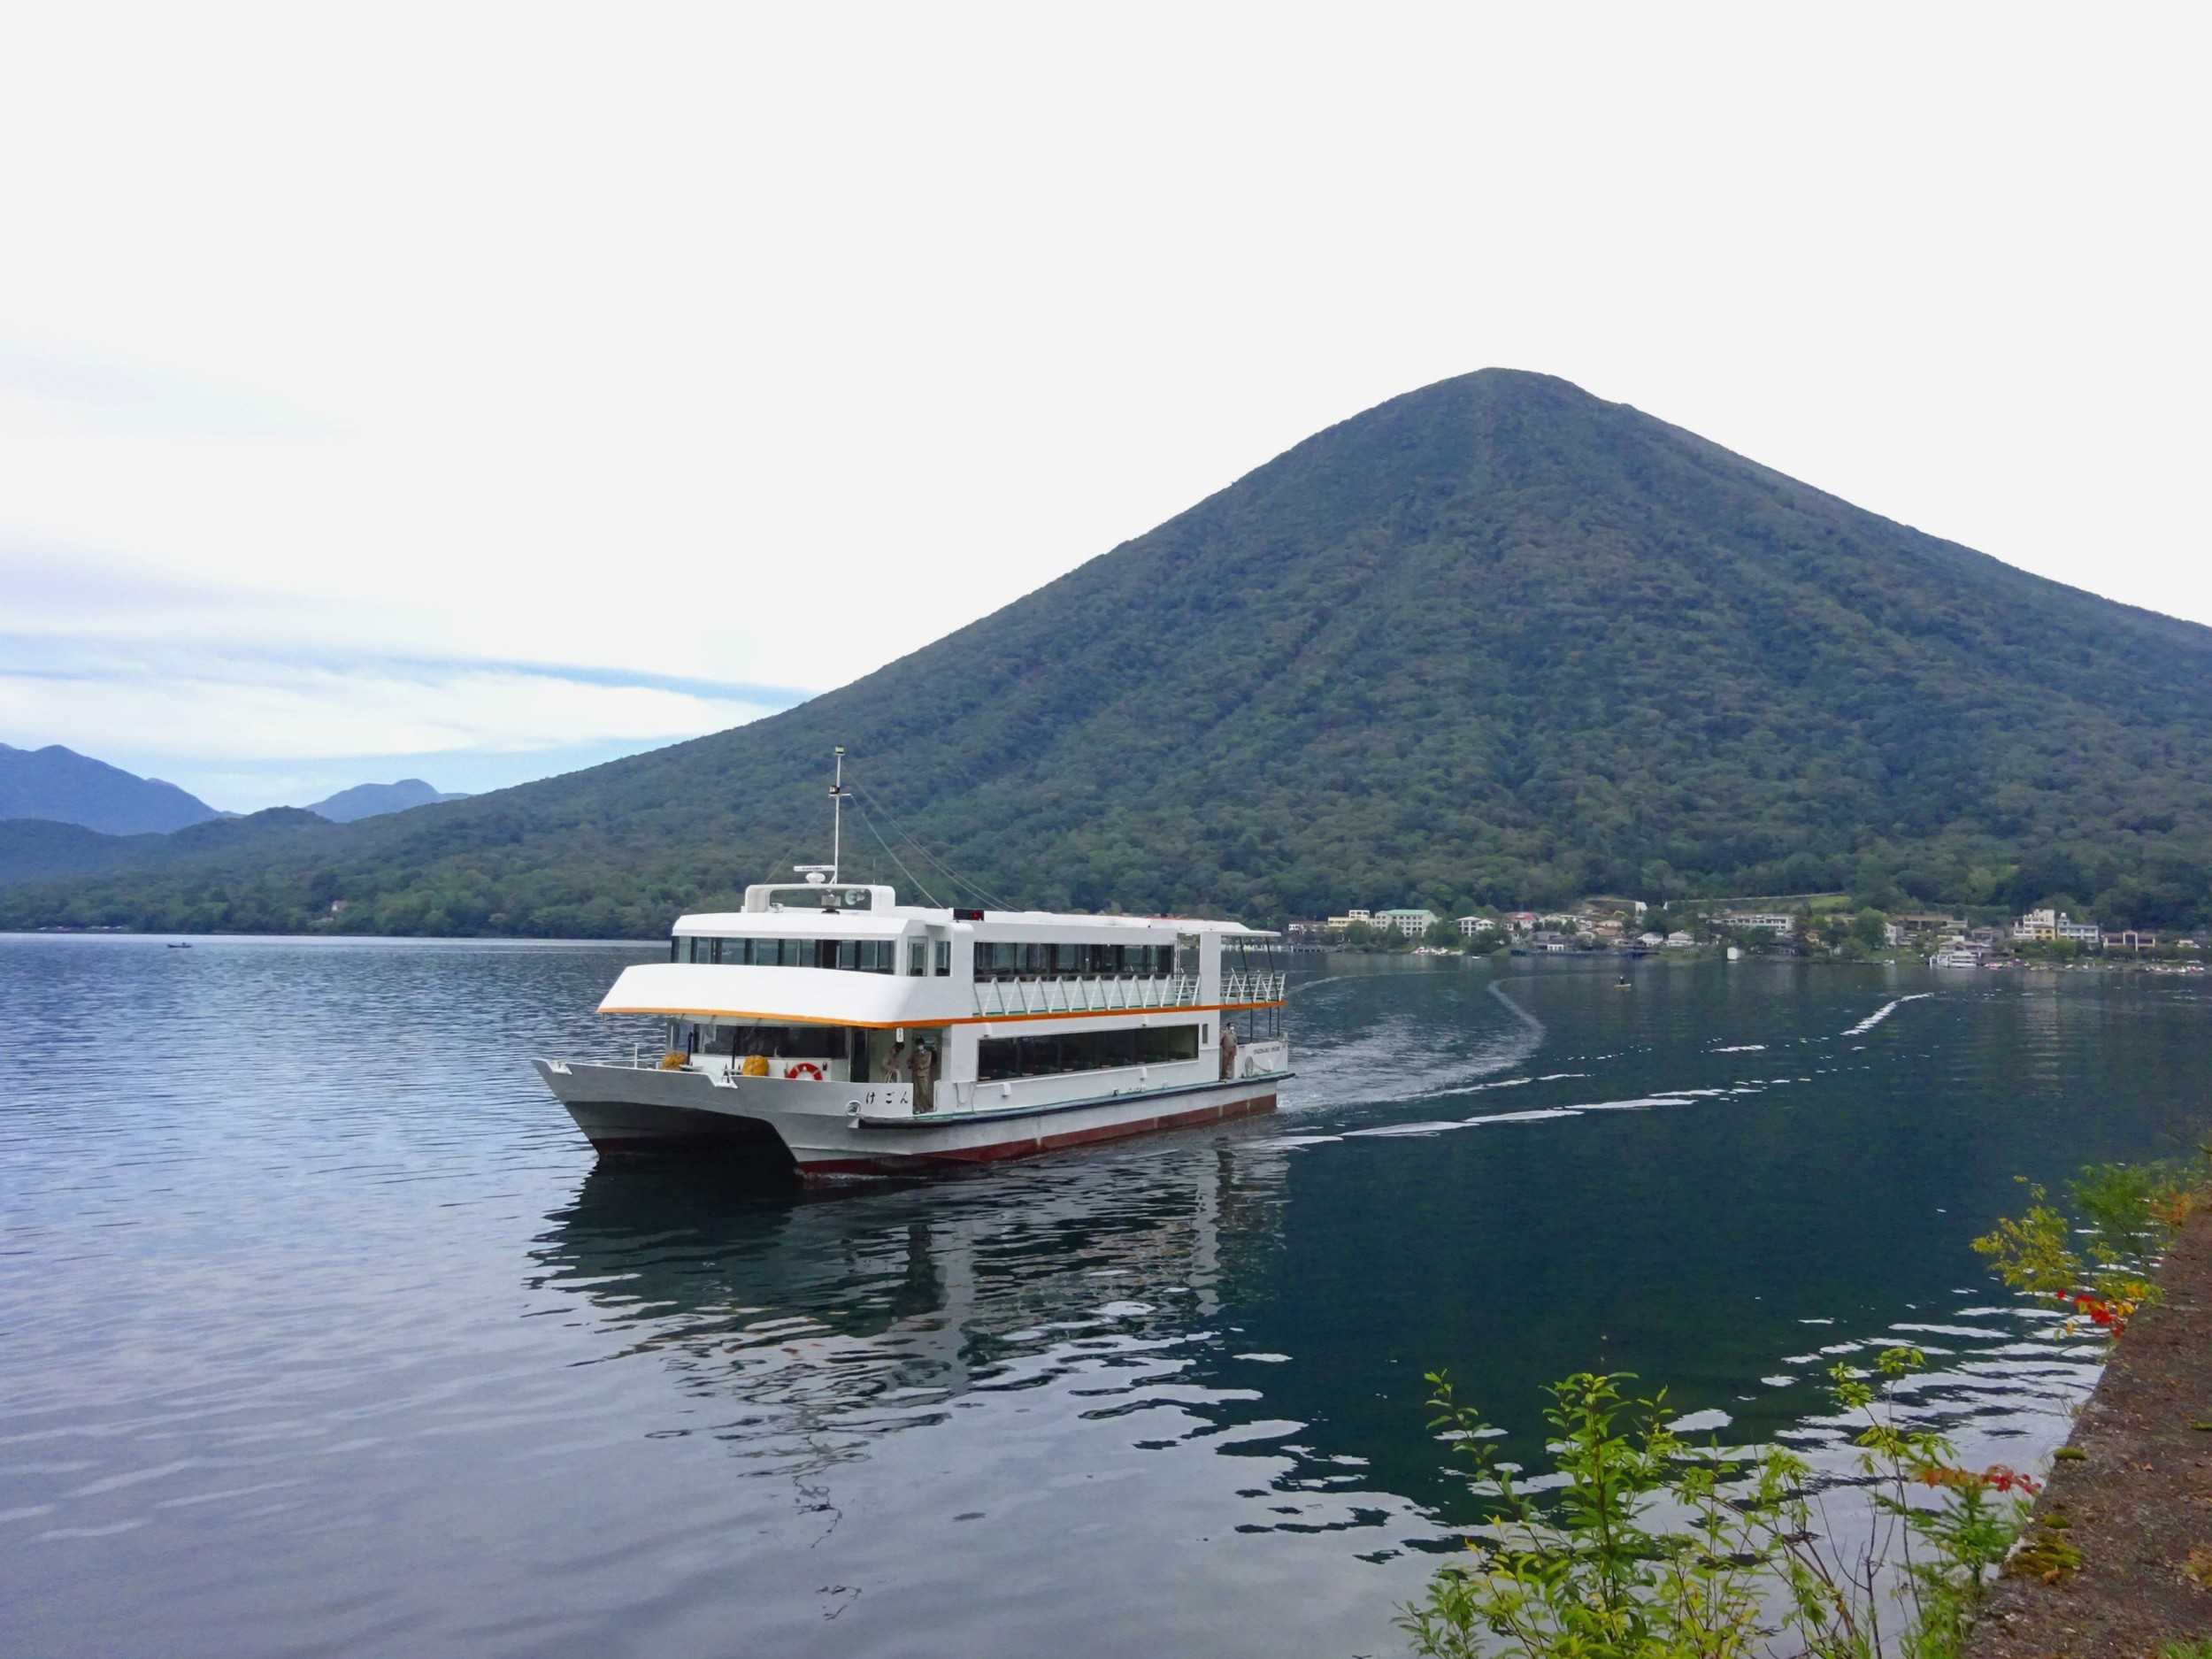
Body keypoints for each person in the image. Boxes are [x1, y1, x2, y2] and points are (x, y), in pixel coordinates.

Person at [911, 1040, 935, 1113]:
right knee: (917, 1092)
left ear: (923, 1045)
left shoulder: (928, 1053)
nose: (919, 1047)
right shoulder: (915, 1054)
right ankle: (919, 1108)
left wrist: (921, 1066)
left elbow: (928, 1064)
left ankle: (927, 1107)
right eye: (918, 1045)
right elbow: (910, 1061)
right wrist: (911, 1065)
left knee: (925, 1092)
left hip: (924, 1075)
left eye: (920, 1045)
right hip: (916, 1074)